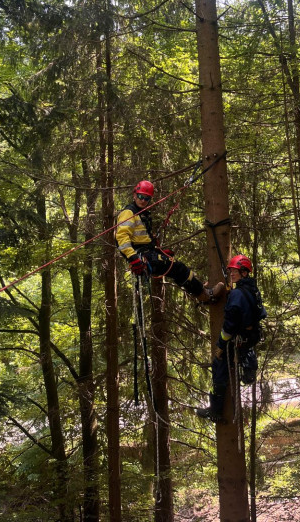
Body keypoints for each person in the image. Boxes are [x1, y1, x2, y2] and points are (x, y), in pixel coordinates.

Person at [116, 180, 225, 303]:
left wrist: (158, 251)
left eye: (147, 198)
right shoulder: (129, 213)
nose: (143, 200)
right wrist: (133, 258)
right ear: (134, 195)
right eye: (141, 196)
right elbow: (121, 238)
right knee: (178, 268)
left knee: (177, 269)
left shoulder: (142, 213)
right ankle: (204, 295)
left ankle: (199, 290)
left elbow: (141, 239)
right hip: (142, 257)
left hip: (147, 254)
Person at [196, 254, 267, 422]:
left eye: (235, 271)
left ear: (244, 272)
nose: (232, 274)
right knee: (240, 355)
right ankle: (248, 367)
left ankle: (215, 411)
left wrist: (221, 345)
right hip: (251, 335)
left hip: (238, 337)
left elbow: (228, 327)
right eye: (231, 271)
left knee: (219, 366)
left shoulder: (237, 295)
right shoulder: (252, 288)